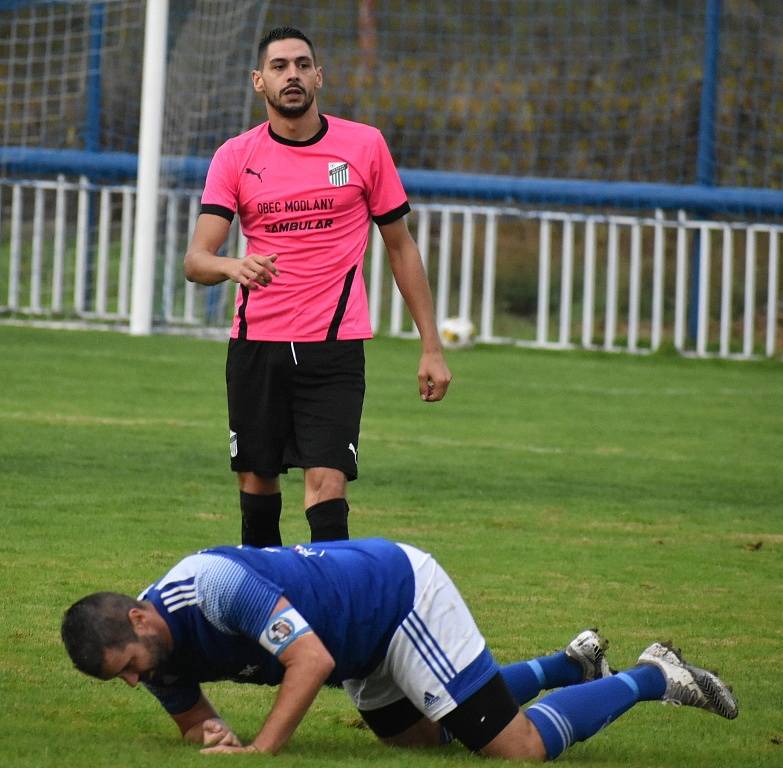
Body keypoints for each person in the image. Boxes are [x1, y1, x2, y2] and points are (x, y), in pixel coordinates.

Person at [61, 539, 738, 760]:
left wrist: (262, 750)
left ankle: (653, 674)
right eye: (122, 678)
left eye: (131, 666)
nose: (135, 681)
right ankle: (570, 665)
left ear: (140, 617)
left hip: (394, 600)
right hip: (357, 644)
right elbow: (194, 724)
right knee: (420, 740)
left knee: (513, 749)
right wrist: (214, 735)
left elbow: (311, 662)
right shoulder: (144, 647)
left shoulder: (211, 586)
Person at [183, 26, 451, 547]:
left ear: (319, 77)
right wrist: (233, 266)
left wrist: (431, 346)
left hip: (334, 346)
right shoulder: (235, 157)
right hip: (256, 344)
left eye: (303, 65)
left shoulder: (364, 145)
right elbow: (197, 260)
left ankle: (332, 616)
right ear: (259, 81)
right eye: (280, 66)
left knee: (327, 482)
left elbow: (401, 246)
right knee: (257, 482)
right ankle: (265, 617)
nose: (293, 75)